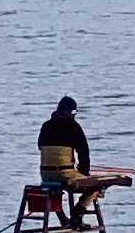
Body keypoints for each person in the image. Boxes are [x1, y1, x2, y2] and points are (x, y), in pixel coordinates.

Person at [34, 95, 126, 225]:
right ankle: (78, 211)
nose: (74, 115)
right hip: (64, 174)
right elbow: (84, 152)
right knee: (96, 186)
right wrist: (85, 173)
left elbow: (40, 147)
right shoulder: (73, 126)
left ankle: (63, 219)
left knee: (55, 189)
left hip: (45, 175)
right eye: (73, 112)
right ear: (66, 111)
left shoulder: (45, 126)